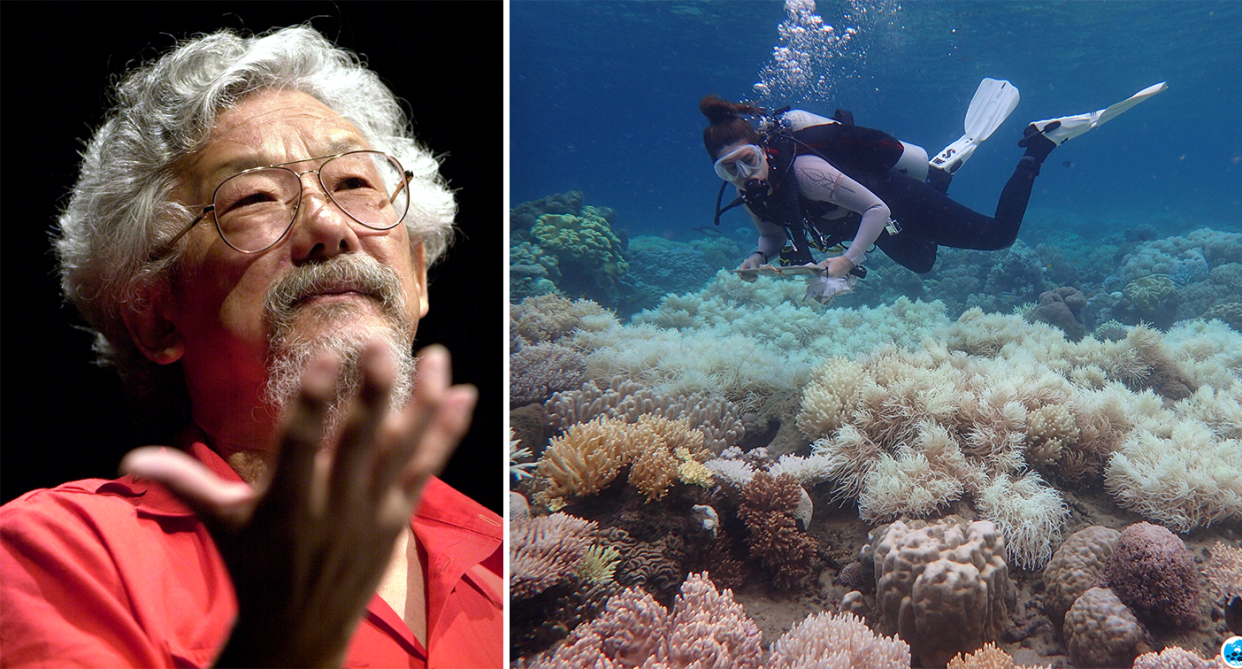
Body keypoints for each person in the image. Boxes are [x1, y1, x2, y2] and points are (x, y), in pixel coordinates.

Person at [0, 25, 501, 669]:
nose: (329, 225)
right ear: (157, 317)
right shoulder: (61, 554)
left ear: (419, 276)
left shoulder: (513, 562)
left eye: (353, 183)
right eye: (255, 198)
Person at [701, 81, 1165, 285]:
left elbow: (877, 211)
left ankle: (1040, 145)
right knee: (922, 263)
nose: (744, 176)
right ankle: (939, 174)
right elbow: (771, 233)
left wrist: (846, 259)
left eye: (747, 160)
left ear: (763, 148)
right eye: (729, 170)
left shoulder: (806, 171)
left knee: (998, 237)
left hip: (891, 201)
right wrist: (758, 255)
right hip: (871, 221)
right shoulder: (749, 194)